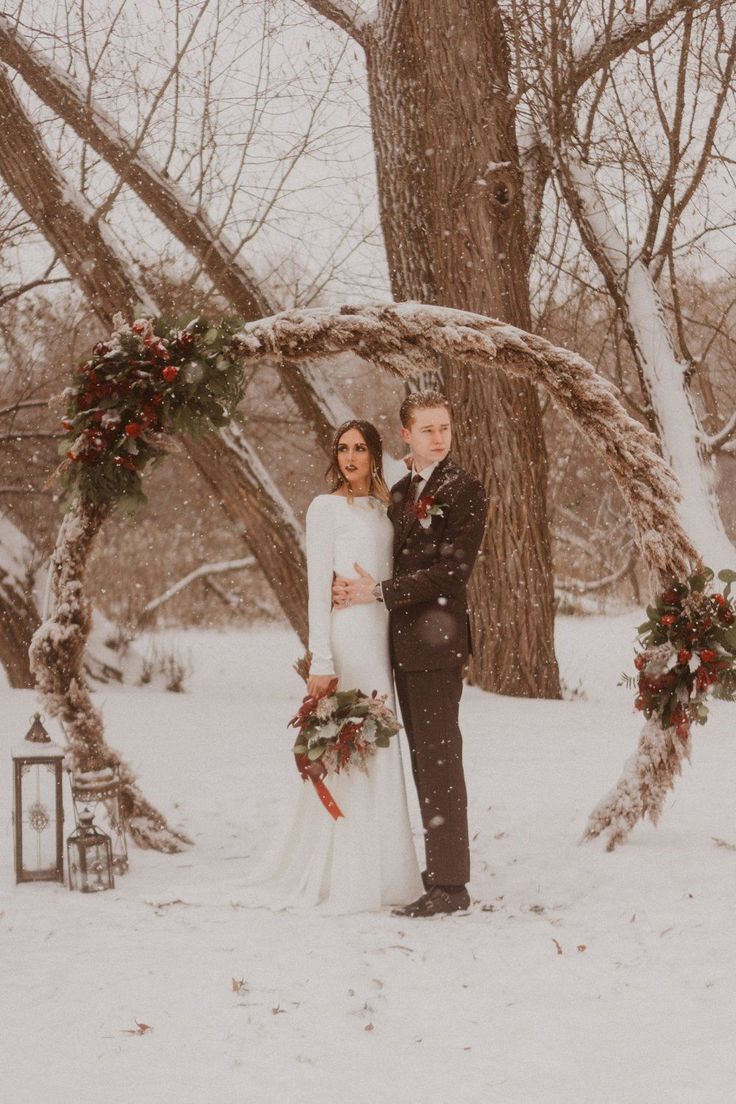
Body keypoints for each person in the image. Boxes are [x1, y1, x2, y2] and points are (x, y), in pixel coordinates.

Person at [247, 420, 423, 913]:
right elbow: (315, 587)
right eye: (343, 449)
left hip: (379, 640)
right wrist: (321, 659)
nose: (350, 457)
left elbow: (386, 577)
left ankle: (387, 870)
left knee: (379, 745)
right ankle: (344, 869)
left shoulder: (384, 511)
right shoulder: (325, 509)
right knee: (349, 747)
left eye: (360, 449)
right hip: (346, 642)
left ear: (374, 455)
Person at [333, 392, 488, 917]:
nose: (439, 437)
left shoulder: (465, 489)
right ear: (406, 435)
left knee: (441, 759)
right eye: (427, 429)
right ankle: (438, 866)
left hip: (437, 648)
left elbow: (452, 573)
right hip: (399, 647)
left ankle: (451, 885)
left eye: (444, 427)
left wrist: (380, 591)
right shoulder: (399, 494)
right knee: (423, 759)